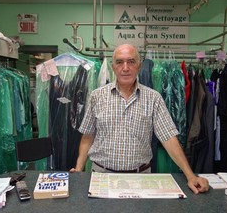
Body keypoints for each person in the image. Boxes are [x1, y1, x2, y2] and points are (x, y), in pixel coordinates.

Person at [70, 44, 209, 194]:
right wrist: (79, 168)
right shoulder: (96, 97)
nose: (125, 67)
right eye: (119, 62)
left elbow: (169, 138)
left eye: (131, 61)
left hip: (140, 179)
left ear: (139, 65)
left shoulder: (153, 98)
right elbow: (88, 136)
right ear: (113, 66)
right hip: (101, 177)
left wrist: (190, 176)